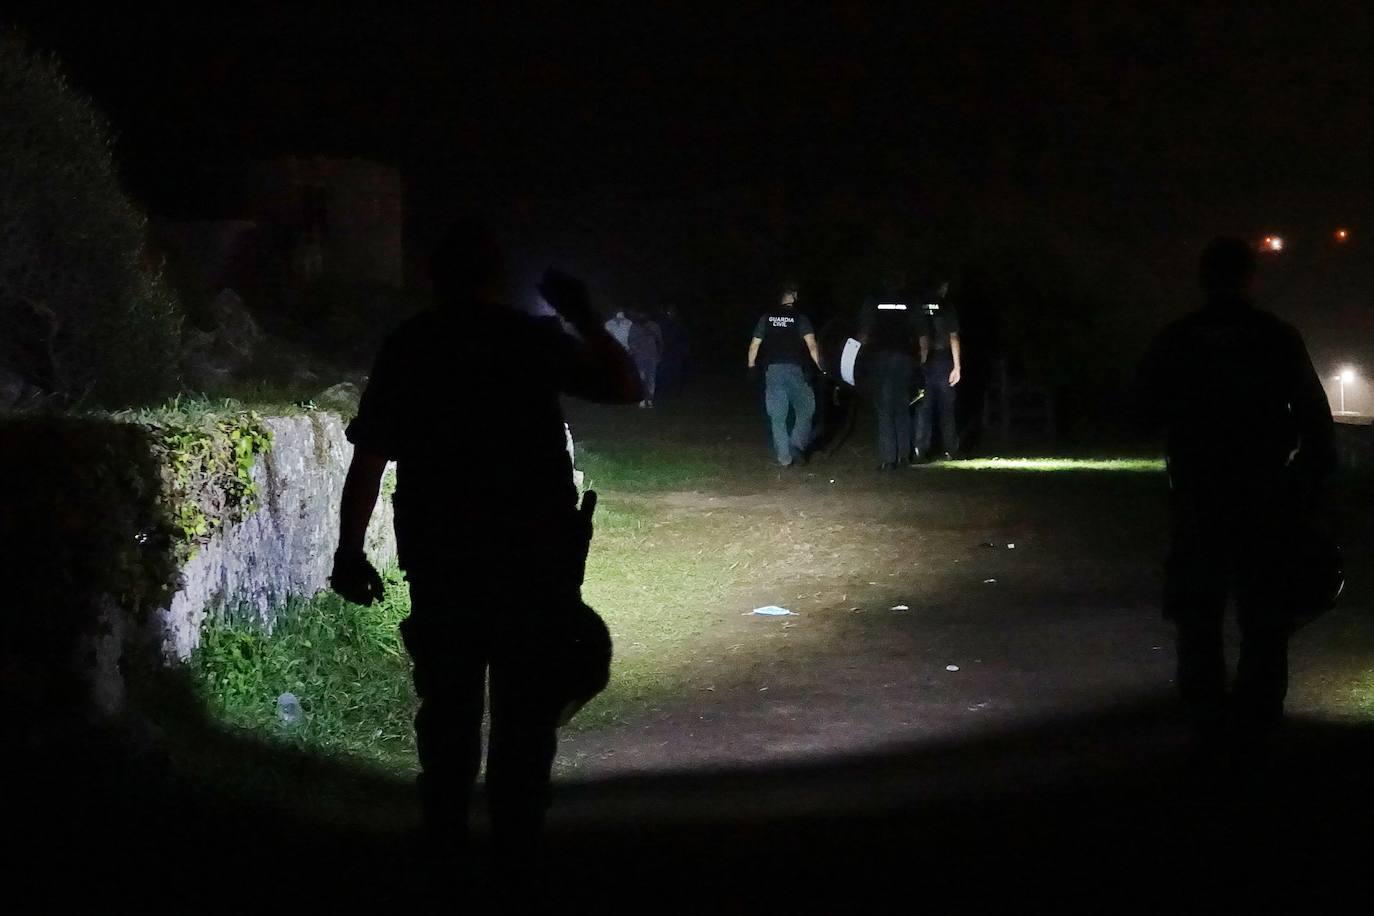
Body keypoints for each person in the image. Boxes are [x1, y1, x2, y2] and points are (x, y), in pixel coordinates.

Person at [329, 222, 642, 863]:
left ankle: (446, 844)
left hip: (445, 558)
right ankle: (514, 851)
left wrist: (349, 552)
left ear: (434, 279)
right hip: (535, 561)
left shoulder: (413, 344)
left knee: (448, 712)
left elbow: (370, 458)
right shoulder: (531, 339)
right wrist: (583, 317)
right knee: (526, 720)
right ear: (497, 279)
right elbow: (627, 386)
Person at [1138, 236, 1334, 767]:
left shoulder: (1178, 339)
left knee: (1198, 612)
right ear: (1250, 279)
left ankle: (1207, 718)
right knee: (1264, 615)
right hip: (1262, 490)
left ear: (1204, 279)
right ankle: (1256, 722)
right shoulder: (1275, 337)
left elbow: (1144, 409)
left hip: (1200, 492)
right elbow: (1317, 424)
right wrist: (1307, 488)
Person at [747, 283, 821, 466]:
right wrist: (822, 367)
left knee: (777, 416)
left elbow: (754, 345)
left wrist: (751, 367)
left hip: (772, 371)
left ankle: (784, 458)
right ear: (794, 296)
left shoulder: (767, 318)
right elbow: (812, 346)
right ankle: (796, 443)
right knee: (806, 408)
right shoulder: (801, 318)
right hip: (796, 370)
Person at [858, 271, 922, 469]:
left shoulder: (873, 301)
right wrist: (921, 359)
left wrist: (858, 356)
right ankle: (904, 456)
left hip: (881, 358)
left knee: (885, 408)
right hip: (904, 358)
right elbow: (922, 333)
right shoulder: (910, 302)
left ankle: (888, 459)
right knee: (902, 407)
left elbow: (864, 333)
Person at [913, 279, 962, 462]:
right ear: (943, 287)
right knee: (947, 407)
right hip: (943, 359)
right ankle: (951, 449)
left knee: (923, 407)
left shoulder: (918, 306)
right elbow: (954, 337)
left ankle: (919, 449)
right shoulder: (947, 307)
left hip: (924, 360)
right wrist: (957, 366)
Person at [627, 309, 662, 407]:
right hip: (643, 356)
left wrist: (659, 354)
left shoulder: (653, 326)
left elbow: (659, 341)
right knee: (644, 378)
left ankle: (648, 399)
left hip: (648, 356)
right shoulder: (635, 327)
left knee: (649, 378)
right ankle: (644, 399)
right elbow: (631, 342)